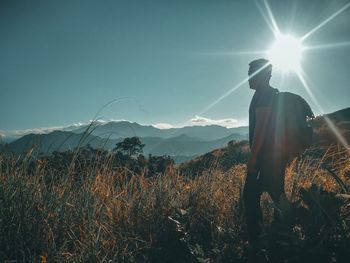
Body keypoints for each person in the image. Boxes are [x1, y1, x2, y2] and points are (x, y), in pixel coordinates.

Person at [243, 58, 290, 244]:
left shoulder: (264, 94)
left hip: (266, 157)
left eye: (251, 75)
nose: (248, 79)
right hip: (274, 155)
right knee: (277, 195)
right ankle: (283, 234)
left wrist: (253, 158)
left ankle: (258, 241)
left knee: (251, 196)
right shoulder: (268, 93)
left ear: (262, 76)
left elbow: (261, 126)